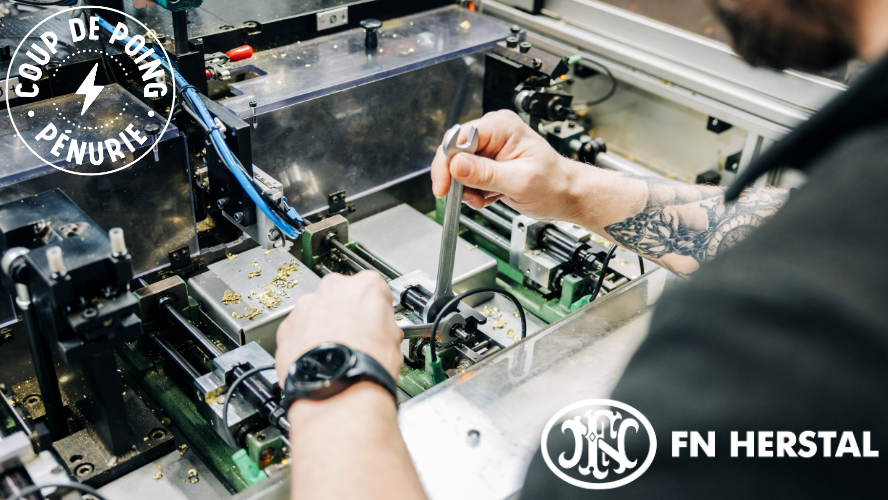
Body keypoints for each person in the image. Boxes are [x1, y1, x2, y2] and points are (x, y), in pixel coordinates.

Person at [275, 0, 888, 497]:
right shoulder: (856, 204)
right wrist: (569, 189)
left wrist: (334, 382)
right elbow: (789, 227)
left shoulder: (786, 334)